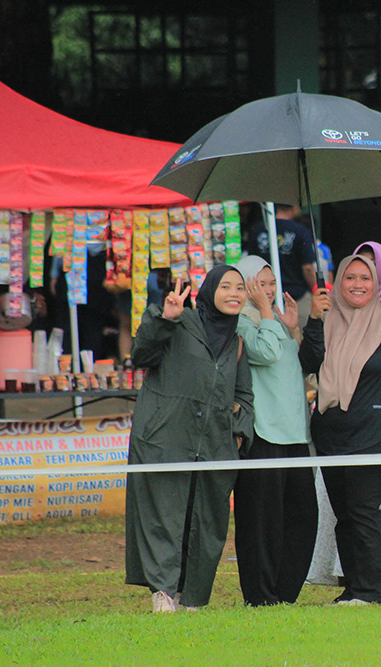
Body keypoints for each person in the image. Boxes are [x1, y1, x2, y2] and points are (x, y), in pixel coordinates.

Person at [125, 266, 254, 613]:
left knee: (206, 522)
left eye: (240, 288)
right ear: (209, 290)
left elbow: (244, 394)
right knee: (164, 515)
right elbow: (141, 355)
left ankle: (192, 597)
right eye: (225, 286)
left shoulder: (236, 342)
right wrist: (163, 319)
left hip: (214, 446)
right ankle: (163, 592)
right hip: (166, 438)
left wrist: (239, 432)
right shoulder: (180, 322)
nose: (234, 293)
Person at [299, 255, 381, 605]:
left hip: (375, 434)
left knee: (364, 509)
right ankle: (353, 588)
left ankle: (372, 591)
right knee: (343, 515)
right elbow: (307, 362)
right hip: (330, 433)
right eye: (350, 277)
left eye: (365, 278)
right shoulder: (328, 320)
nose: (357, 284)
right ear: (338, 283)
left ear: (377, 283)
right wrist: (313, 319)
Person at [232, 255, 317, 606]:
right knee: (261, 520)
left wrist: (294, 329)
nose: (268, 291)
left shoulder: (278, 320)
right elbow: (265, 353)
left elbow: (292, 367)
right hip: (263, 434)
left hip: (296, 433)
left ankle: (286, 592)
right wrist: (268, 311)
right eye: (260, 284)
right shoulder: (240, 322)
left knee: (302, 516)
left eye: (271, 284)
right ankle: (260, 594)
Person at [245, 203, 318, 326]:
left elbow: (251, 262)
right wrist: (314, 289)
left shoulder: (259, 229)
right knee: (301, 338)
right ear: (295, 208)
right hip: (297, 296)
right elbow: (308, 268)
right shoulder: (300, 231)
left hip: (264, 296)